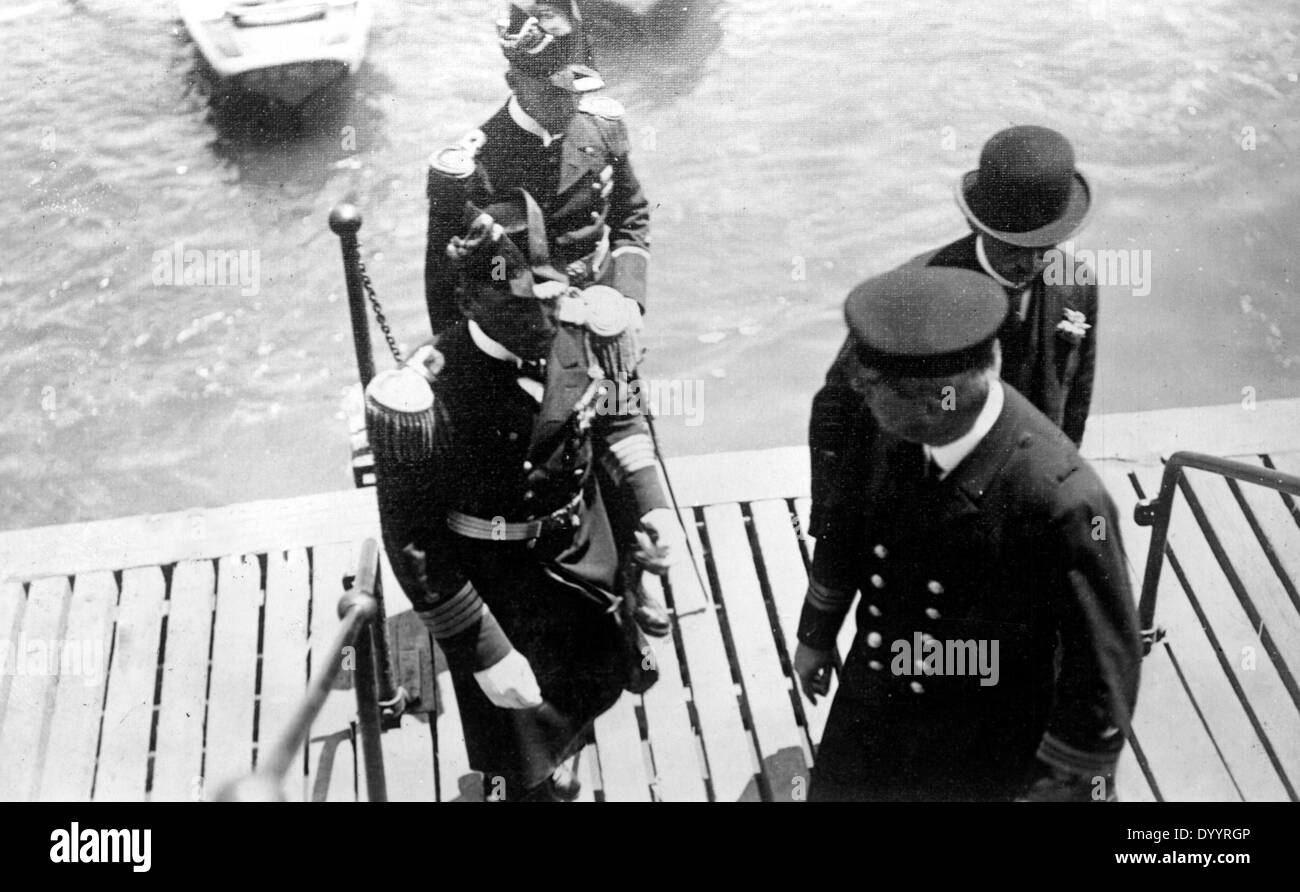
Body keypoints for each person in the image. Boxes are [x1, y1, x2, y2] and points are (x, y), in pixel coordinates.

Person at [792, 266, 1141, 802]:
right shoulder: (890, 430)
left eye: (871, 386)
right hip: (877, 693)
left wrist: (1061, 782)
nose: (859, 393)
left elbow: (1101, 664)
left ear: (935, 402)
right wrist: (816, 633)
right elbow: (845, 529)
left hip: (985, 738)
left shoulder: (1062, 499)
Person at [375, 194, 683, 801]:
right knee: (514, 739)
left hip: (585, 548)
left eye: (548, 297)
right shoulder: (430, 393)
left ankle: (567, 747)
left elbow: (621, 416)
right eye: (519, 305)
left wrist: (652, 508)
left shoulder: (579, 327)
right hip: (500, 587)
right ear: (468, 302)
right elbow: (414, 539)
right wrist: (484, 652)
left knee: (594, 678)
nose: (544, 321)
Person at [423, 0, 665, 633]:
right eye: (552, 88)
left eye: (575, 84)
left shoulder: (603, 128)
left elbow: (632, 217)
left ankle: (640, 577)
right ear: (514, 82)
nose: (568, 102)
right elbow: (454, 284)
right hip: (526, 334)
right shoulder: (475, 167)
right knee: (542, 461)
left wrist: (626, 297)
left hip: (605, 322)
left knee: (628, 439)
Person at [809, 126, 1099, 537]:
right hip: (933, 508)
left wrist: (1061, 482)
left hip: (1026, 497)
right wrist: (832, 522)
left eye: (1046, 245)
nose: (1031, 263)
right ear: (975, 223)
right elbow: (836, 408)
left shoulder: (1077, 283)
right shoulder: (913, 290)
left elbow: (1077, 394)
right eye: (1013, 246)